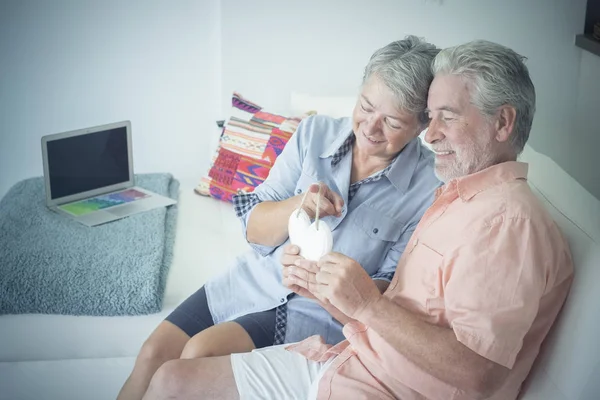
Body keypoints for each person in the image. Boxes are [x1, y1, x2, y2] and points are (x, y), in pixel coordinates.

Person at [141, 40, 574, 400]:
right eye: (366, 106)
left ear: (502, 123)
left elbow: (478, 374)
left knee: (189, 364)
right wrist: (312, 241)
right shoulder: (456, 197)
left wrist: (358, 300)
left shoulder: (502, 219)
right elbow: (257, 229)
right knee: (161, 369)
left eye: (446, 117)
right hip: (346, 354)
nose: (432, 134)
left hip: (355, 363)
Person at [118, 35, 442, 400]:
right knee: (151, 354)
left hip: (315, 313)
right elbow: (254, 230)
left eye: (393, 122)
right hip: (253, 280)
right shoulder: (314, 134)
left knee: (198, 353)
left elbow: (386, 297)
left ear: (421, 126)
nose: (370, 127)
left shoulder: (429, 189)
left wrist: (319, 281)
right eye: (366, 106)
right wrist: (298, 204)